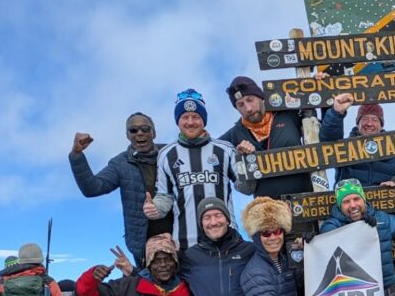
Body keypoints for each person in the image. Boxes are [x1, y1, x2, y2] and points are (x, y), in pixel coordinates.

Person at [146, 89, 253, 251]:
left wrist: (245, 163)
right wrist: (155, 209)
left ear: (204, 120)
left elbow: (246, 189)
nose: (190, 122)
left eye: (195, 117)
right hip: (185, 245)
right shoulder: (166, 154)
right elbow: (164, 197)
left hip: (227, 242)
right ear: (178, 121)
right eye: (185, 117)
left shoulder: (224, 149)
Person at [69, 114, 172, 268]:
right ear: (127, 136)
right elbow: (92, 188)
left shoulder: (171, 153)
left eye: (145, 128)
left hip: (178, 237)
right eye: (133, 130)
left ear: (154, 133)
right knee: (149, 290)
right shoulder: (120, 164)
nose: (139, 133)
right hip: (143, 244)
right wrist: (77, 155)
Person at [220, 75, 315, 199]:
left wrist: (319, 85)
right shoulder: (233, 136)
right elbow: (244, 189)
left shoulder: (287, 114)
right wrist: (241, 160)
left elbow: (320, 131)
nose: (248, 108)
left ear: (260, 97)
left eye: (250, 99)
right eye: (240, 104)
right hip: (267, 212)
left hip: (306, 203)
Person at [320, 97, 395, 185]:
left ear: (381, 125)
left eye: (374, 120)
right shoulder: (345, 148)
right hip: (351, 199)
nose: (369, 123)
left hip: (381, 199)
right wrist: (336, 114)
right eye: (365, 119)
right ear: (358, 123)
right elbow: (328, 141)